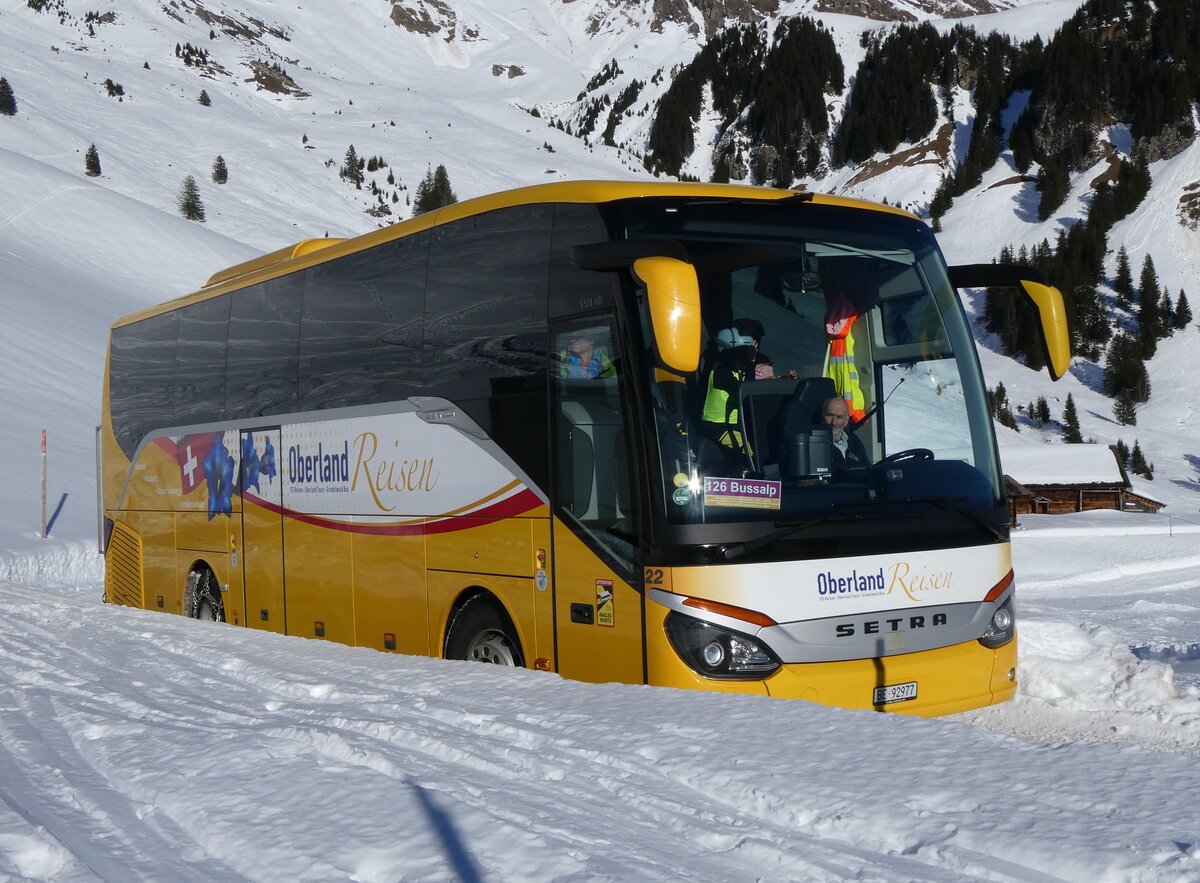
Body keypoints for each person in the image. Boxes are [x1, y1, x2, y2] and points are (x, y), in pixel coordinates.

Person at [700, 324, 757, 452]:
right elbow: (745, 392)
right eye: (743, 355)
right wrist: (751, 363)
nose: (744, 360)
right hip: (718, 427)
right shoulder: (721, 372)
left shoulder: (732, 371)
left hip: (731, 426)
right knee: (749, 452)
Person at [823, 396, 869, 468]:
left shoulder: (854, 441)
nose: (834, 422)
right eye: (830, 415)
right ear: (823, 415)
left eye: (839, 417)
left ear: (846, 419)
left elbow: (866, 469)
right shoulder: (811, 443)